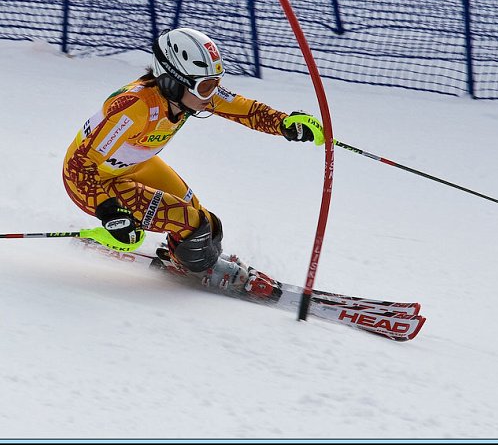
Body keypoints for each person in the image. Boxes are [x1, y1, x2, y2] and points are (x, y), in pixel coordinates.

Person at [63, 28, 323, 298]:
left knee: (207, 224)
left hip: (133, 168)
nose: (212, 95)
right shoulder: (134, 108)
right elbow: (81, 165)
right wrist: (110, 212)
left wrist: (284, 124)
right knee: (190, 223)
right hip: (91, 182)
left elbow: (243, 109)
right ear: (172, 81)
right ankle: (202, 268)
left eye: (215, 83)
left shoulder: (189, 97)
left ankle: (187, 260)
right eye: (206, 86)